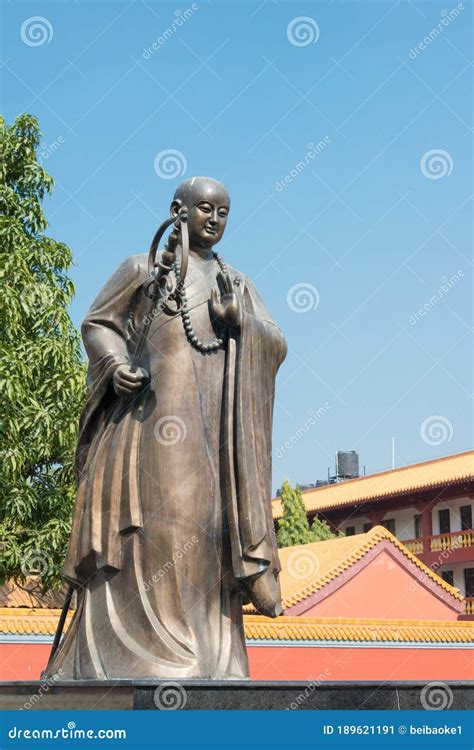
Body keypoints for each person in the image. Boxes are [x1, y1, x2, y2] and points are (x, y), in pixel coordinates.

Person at [46, 176, 287, 680]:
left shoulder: (236, 284)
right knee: (163, 524)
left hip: (217, 434)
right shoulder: (142, 270)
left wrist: (237, 320)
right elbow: (98, 323)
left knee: (213, 530)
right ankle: (150, 652)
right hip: (153, 423)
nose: (215, 219)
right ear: (178, 210)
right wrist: (114, 367)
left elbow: (275, 344)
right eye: (205, 208)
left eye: (224, 211)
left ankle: (213, 657)